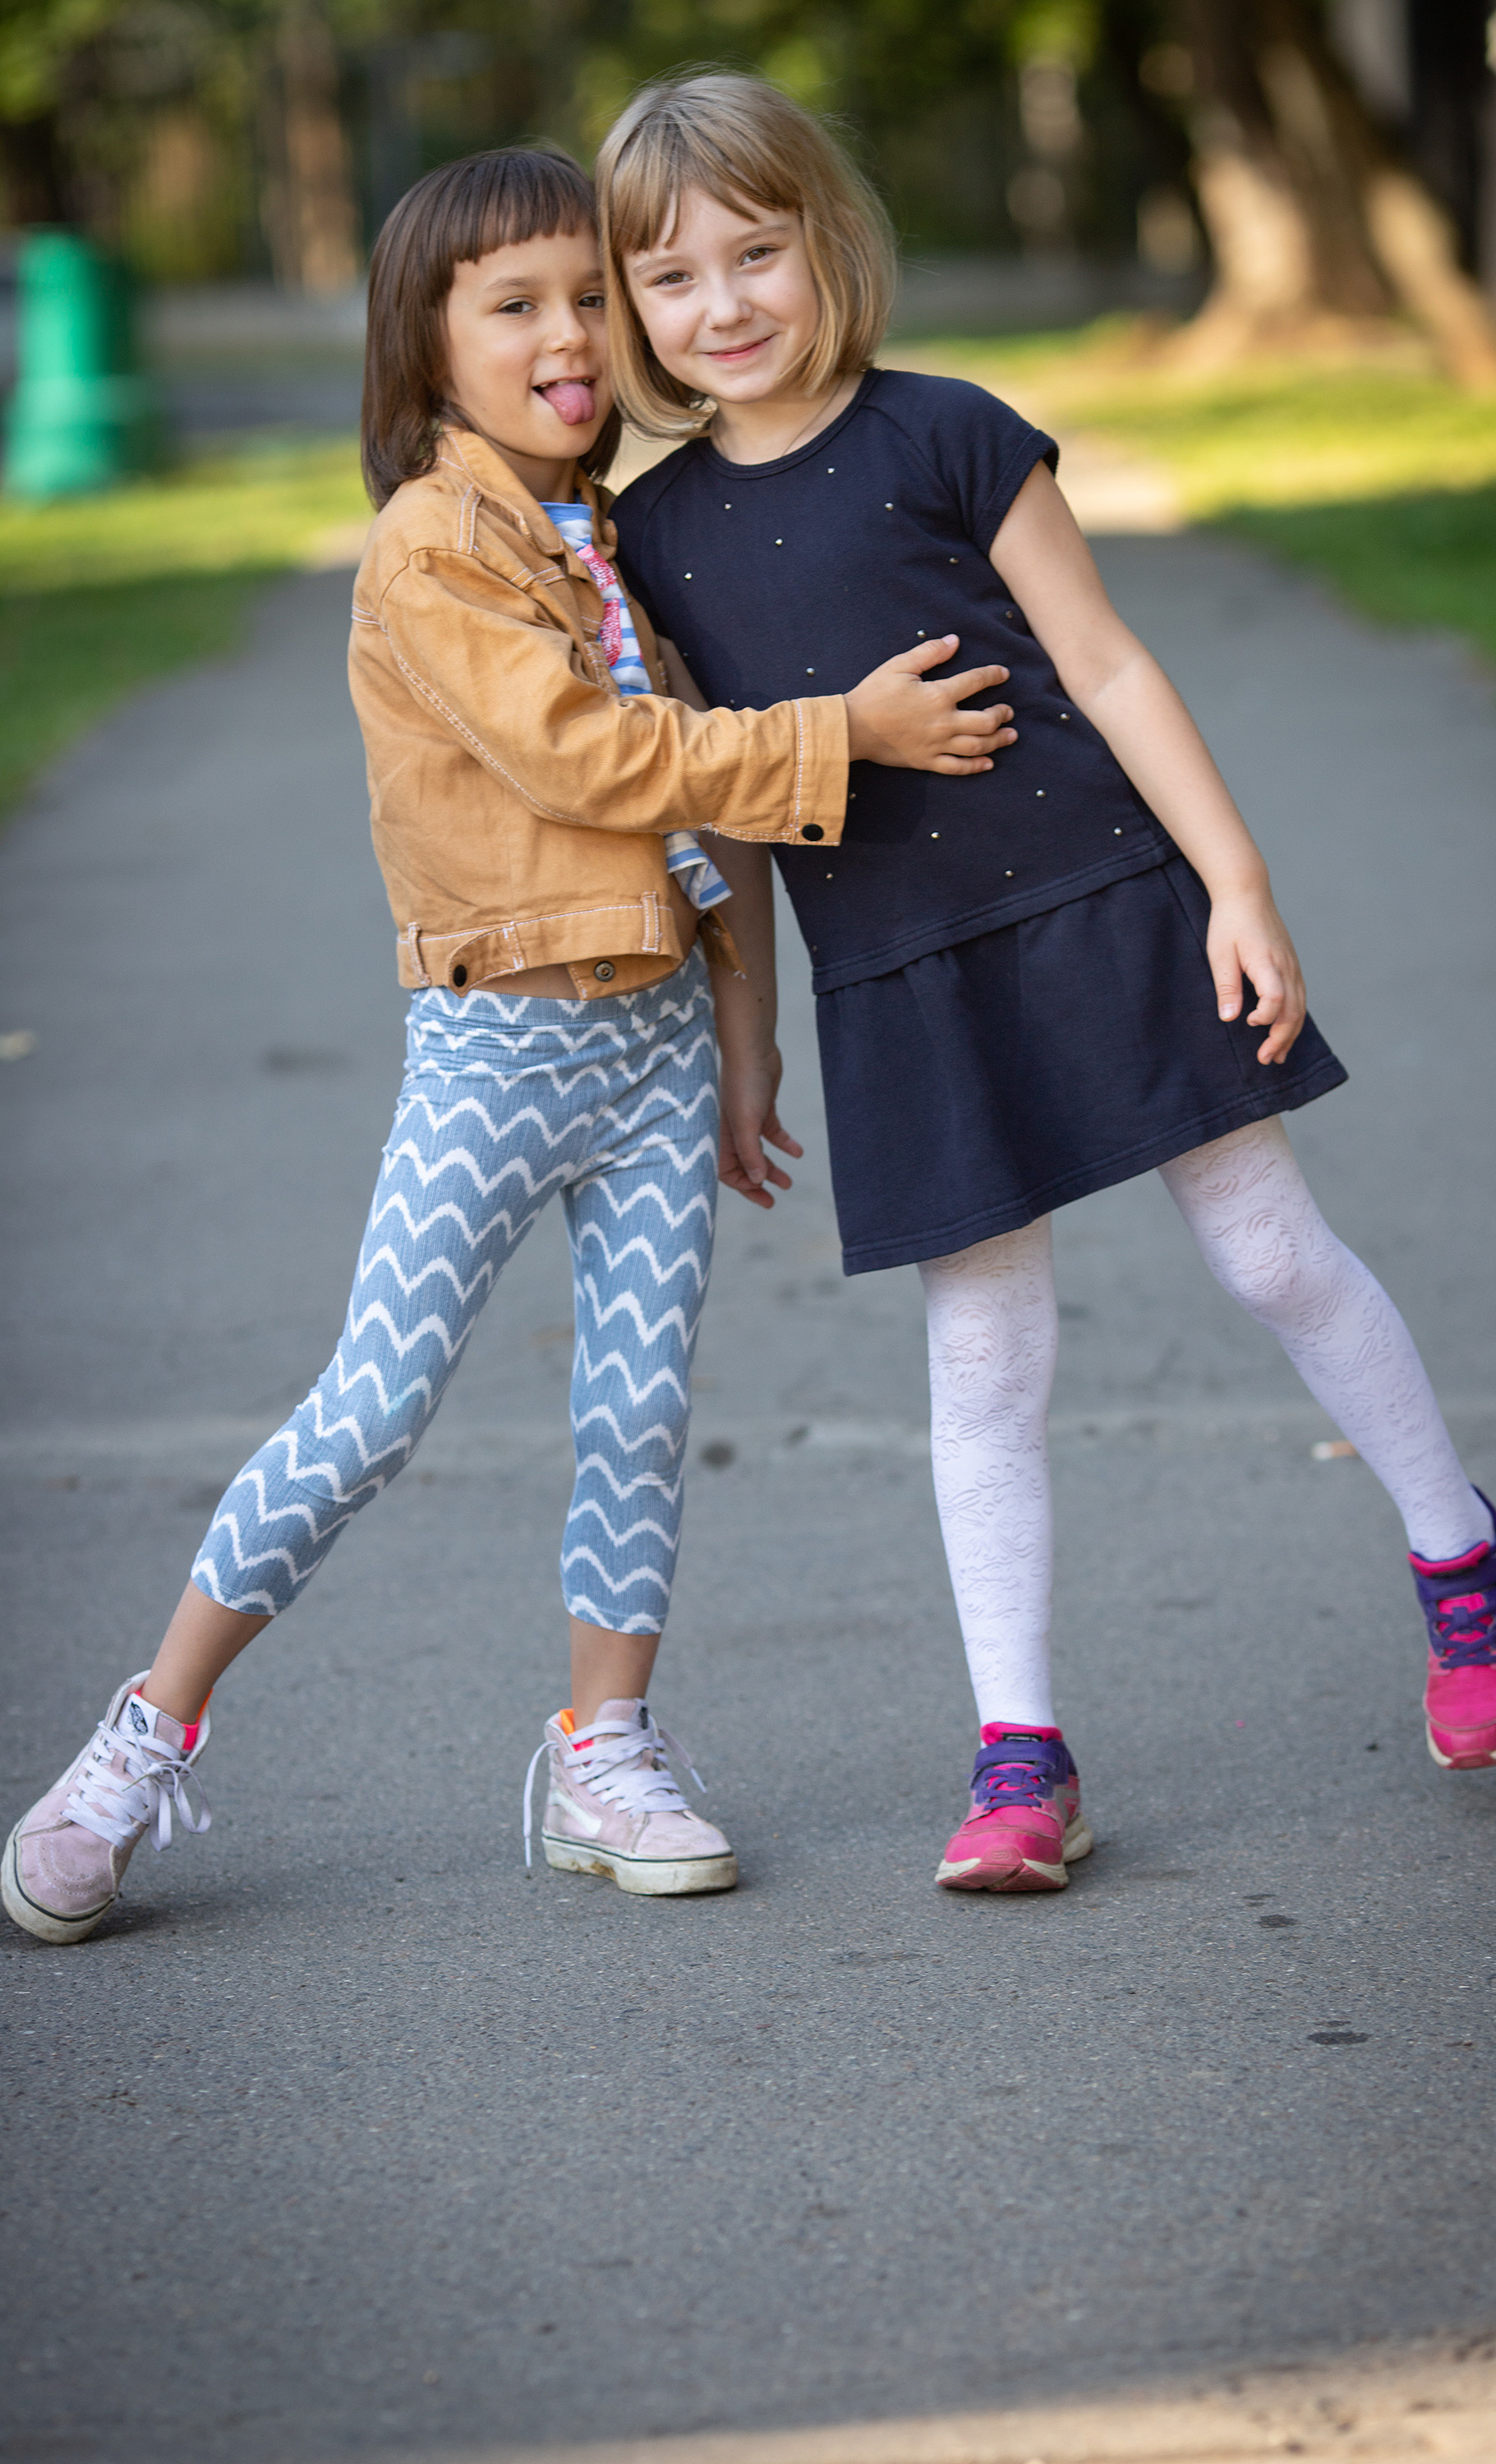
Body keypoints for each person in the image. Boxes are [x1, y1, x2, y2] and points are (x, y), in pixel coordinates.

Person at [2, 144, 1016, 1944]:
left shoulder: (624, 539)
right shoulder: (429, 552)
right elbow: (590, 763)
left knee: (636, 1414)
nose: (567, 334)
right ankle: (140, 1735)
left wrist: (746, 1041)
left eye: (586, 299)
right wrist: (839, 732)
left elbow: (714, 847)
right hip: (494, 1052)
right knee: (372, 1413)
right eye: (515, 305)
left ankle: (602, 1748)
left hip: (652, 1062)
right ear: (429, 348)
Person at [597, 74, 1496, 1895]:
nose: (720, 304)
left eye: (754, 252)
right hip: (896, 974)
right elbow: (711, 811)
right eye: (669, 277)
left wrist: (1237, 882)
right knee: (986, 1355)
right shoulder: (653, 542)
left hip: (1110, 901)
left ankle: (1458, 1557)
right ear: (632, 310)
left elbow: (1108, 669)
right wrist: (745, 1045)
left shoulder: (953, 434)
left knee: (1268, 1252)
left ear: (828, 243)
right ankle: (1020, 1760)